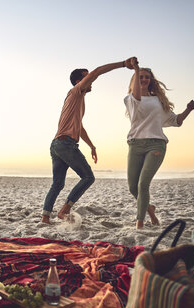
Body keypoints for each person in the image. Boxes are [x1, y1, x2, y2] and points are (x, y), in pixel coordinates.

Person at [42, 57, 137, 224]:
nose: (91, 81)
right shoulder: (76, 91)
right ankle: (65, 210)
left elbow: (80, 127)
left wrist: (92, 146)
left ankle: (45, 217)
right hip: (65, 144)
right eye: (87, 77)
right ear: (80, 81)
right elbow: (98, 71)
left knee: (57, 184)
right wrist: (123, 64)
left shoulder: (76, 100)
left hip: (57, 144)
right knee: (88, 177)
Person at [124, 59, 194, 229]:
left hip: (156, 145)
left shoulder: (158, 101)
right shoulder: (129, 99)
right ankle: (150, 210)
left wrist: (188, 110)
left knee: (143, 184)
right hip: (135, 144)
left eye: (146, 77)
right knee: (132, 187)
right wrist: (135, 70)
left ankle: (140, 223)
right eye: (140, 77)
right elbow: (136, 97)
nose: (143, 79)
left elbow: (175, 121)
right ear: (135, 79)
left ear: (151, 81)